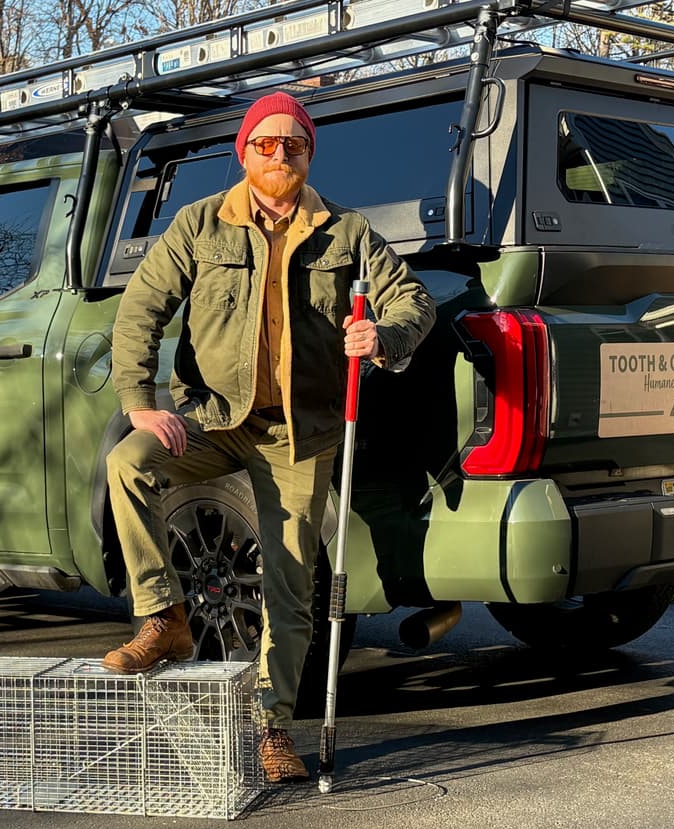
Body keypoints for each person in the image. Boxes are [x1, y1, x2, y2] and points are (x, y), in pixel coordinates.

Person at [103, 91, 435, 782]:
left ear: (309, 153)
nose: (279, 154)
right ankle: (162, 617)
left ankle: (272, 729)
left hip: (299, 436)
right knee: (128, 464)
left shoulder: (346, 231)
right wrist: (139, 401)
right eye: (265, 143)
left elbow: (413, 301)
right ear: (244, 151)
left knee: (290, 592)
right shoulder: (199, 224)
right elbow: (141, 309)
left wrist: (384, 337)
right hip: (216, 418)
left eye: (293, 144)